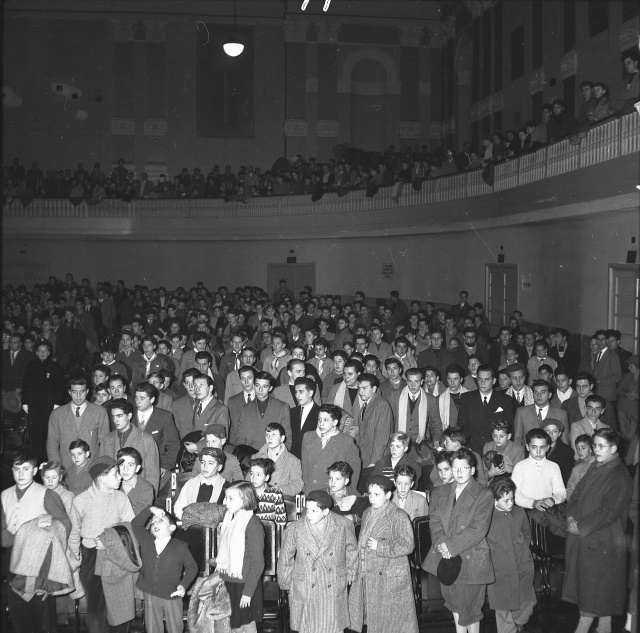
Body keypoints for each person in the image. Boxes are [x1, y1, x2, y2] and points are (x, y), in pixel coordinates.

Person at [563, 429, 633, 633]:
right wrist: (570, 516)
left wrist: (580, 527)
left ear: (614, 448)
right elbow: (576, 494)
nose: (596, 449)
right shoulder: (595, 466)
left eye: (601, 446)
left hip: (605, 541)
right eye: (595, 445)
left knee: (593, 597)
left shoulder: (620, 475)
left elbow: (608, 512)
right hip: (587, 539)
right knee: (600, 598)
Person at [423, 449, 495, 633]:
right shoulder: (439, 493)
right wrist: (442, 544)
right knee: (454, 604)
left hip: (471, 557)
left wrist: (451, 546)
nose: (459, 471)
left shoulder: (484, 494)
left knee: (471, 610)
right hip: (446, 557)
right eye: (455, 468)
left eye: (464, 467)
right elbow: (435, 521)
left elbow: (478, 529)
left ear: (473, 470)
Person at [1, 450, 72, 633]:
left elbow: (65, 524)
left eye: (26, 469)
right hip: (12, 557)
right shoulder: (4, 495)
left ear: (34, 471)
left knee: (41, 613)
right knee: (18, 610)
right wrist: (14, 537)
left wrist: (50, 524)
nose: (21, 473)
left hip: (38, 558)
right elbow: (3, 530)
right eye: (17, 469)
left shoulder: (46, 494)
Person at [67, 456, 136, 633]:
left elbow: (131, 527)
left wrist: (110, 539)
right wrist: (75, 558)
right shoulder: (81, 500)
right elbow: (74, 532)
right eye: (115, 474)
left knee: (120, 605)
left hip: (117, 555)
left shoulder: (121, 498)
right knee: (97, 606)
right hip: (91, 557)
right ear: (102, 477)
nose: (120, 477)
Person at [279, 488, 359, 633]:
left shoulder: (343, 525)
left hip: (333, 583)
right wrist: (287, 582)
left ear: (326, 511)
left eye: (314, 511)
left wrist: (351, 572)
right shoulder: (295, 528)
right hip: (306, 584)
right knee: (308, 627)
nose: (308, 514)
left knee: (333, 627)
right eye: (307, 509)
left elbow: (352, 549)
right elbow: (285, 557)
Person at [350, 475, 419, 633]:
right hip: (370, 572)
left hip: (389, 574)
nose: (372, 498)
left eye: (377, 494)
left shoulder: (398, 515)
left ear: (388, 495)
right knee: (374, 620)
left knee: (392, 622)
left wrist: (380, 546)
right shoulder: (367, 512)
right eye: (370, 494)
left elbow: (408, 545)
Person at [131, 506, 198, 633]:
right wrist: (150, 510)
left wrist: (183, 585)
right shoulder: (147, 541)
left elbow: (192, 567)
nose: (155, 523)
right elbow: (135, 524)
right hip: (150, 593)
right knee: (152, 627)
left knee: (175, 627)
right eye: (153, 522)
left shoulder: (180, 547)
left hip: (172, 594)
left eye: (160, 521)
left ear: (172, 528)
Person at [486, 478, 536, 633]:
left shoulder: (519, 512)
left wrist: (523, 551)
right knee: (502, 606)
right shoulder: (487, 516)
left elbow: (526, 534)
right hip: (499, 568)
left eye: (512, 498)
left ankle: (518, 622)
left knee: (528, 600)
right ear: (495, 500)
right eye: (506, 500)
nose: (511, 503)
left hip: (522, 564)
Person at [217, 481, 265, 633]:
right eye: (226, 498)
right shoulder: (229, 519)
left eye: (231, 498)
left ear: (245, 500)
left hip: (244, 585)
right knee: (230, 626)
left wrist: (248, 593)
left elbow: (258, 563)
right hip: (229, 583)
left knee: (245, 626)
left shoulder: (253, 524)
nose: (225, 502)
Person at [47, 376, 110, 477]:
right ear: (69, 392)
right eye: (74, 392)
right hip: (66, 470)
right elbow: (52, 444)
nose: (78, 396)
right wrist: (57, 468)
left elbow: (105, 444)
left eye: (82, 391)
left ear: (87, 391)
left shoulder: (100, 412)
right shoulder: (57, 414)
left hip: (91, 470)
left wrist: (100, 468)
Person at [100, 398, 160, 492]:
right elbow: (102, 473)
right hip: (112, 494)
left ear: (129, 415)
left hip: (138, 494)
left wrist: (149, 498)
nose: (115, 420)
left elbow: (153, 476)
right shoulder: (106, 439)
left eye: (119, 416)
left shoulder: (146, 440)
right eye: (113, 416)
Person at [20, 339, 66, 459]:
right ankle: (37, 458)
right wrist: (25, 402)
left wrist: (57, 403)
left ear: (49, 352)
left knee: (49, 431)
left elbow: (60, 386)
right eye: (40, 351)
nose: (42, 353)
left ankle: (50, 459)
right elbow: (25, 384)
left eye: (45, 351)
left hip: (49, 404)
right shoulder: (31, 366)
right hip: (34, 403)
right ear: (36, 352)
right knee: (35, 432)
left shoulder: (55, 367)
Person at [457, 364, 515, 454]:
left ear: (494, 381)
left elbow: (509, 427)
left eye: (487, 379)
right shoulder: (466, 398)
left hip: (495, 449)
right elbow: (461, 426)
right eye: (480, 379)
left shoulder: (505, 400)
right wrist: (466, 447)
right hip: (472, 449)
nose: (482, 383)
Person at [511, 429, 566, 510]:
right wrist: (533, 503)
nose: (538, 451)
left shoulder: (553, 467)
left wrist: (553, 499)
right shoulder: (519, 467)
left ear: (547, 448)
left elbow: (561, 492)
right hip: (525, 510)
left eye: (542, 447)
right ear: (527, 447)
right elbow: (515, 494)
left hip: (547, 510)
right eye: (534, 447)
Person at [173, 447, 228, 519]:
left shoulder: (226, 488)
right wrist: (191, 519)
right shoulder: (190, 484)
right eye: (203, 462)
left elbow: (228, 515)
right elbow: (179, 507)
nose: (205, 467)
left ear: (219, 467)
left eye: (210, 463)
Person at [251, 423, 303, 497]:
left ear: (282, 438)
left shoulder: (293, 461)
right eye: (267, 435)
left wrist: (276, 490)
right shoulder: (256, 457)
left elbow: (297, 485)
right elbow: (248, 481)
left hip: (281, 499)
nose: (269, 438)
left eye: (273, 435)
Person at [248, 458, 287, 525]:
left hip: (270, 530)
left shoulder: (275, 493)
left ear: (266, 477)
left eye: (258, 474)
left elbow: (281, 521)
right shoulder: (245, 492)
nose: (254, 478)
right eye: (252, 474)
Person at [118, 447, 155, 515]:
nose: (125, 469)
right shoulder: (114, 484)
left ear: (137, 468)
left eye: (130, 465)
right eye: (122, 465)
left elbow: (140, 515)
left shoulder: (146, 488)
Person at [544, 419, 574, 485]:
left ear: (559, 434)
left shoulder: (567, 451)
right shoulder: (535, 448)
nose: (550, 434)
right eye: (547, 431)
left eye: (554, 431)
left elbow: (566, 477)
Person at [566, 434, 595, 501]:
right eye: (577, 448)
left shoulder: (597, 463)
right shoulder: (576, 468)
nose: (580, 451)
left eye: (583, 448)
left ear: (591, 449)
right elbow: (570, 490)